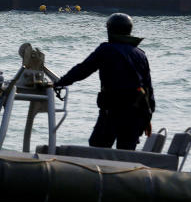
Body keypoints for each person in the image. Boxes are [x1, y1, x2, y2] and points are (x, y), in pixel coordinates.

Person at [53, 13, 155, 150]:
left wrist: (60, 82)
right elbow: (148, 89)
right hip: (136, 114)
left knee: (97, 146)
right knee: (127, 152)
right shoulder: (140, 54)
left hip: (112, 111)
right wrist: (148, 118)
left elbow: (83, 69)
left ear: (110, 30)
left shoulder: (106, 49)